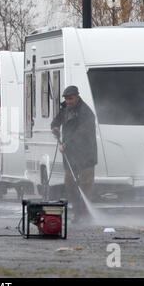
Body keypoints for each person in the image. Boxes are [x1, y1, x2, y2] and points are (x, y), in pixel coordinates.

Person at [51, 85, 97, 222]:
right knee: (70, 184)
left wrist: (66, 145)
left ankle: (85, 215)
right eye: (66, 99)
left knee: (85, 185)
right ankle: (77, 213)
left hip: (86, 156)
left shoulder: (86, 113)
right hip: (70, 156)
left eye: (70, 99)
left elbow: (81, 134)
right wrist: (54, 127)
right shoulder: (65, 109)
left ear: (77, 97)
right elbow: (56, 120)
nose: (68, 102)